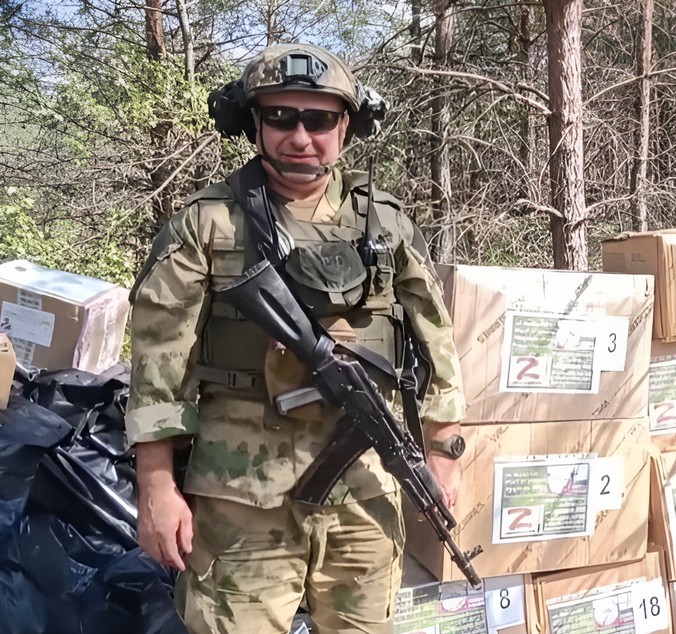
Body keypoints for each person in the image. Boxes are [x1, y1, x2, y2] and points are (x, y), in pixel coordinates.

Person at [124, 43, 467, 634]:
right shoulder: (208, 223)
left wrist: (445, 448)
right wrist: (156, 484)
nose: (301, 136)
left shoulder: (385, 222)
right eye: (281, 117)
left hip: (366, 487)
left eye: (319, 119)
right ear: (254, 123)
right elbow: (158, 359)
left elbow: (436, 340)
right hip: (242, 495)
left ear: (346, 126)